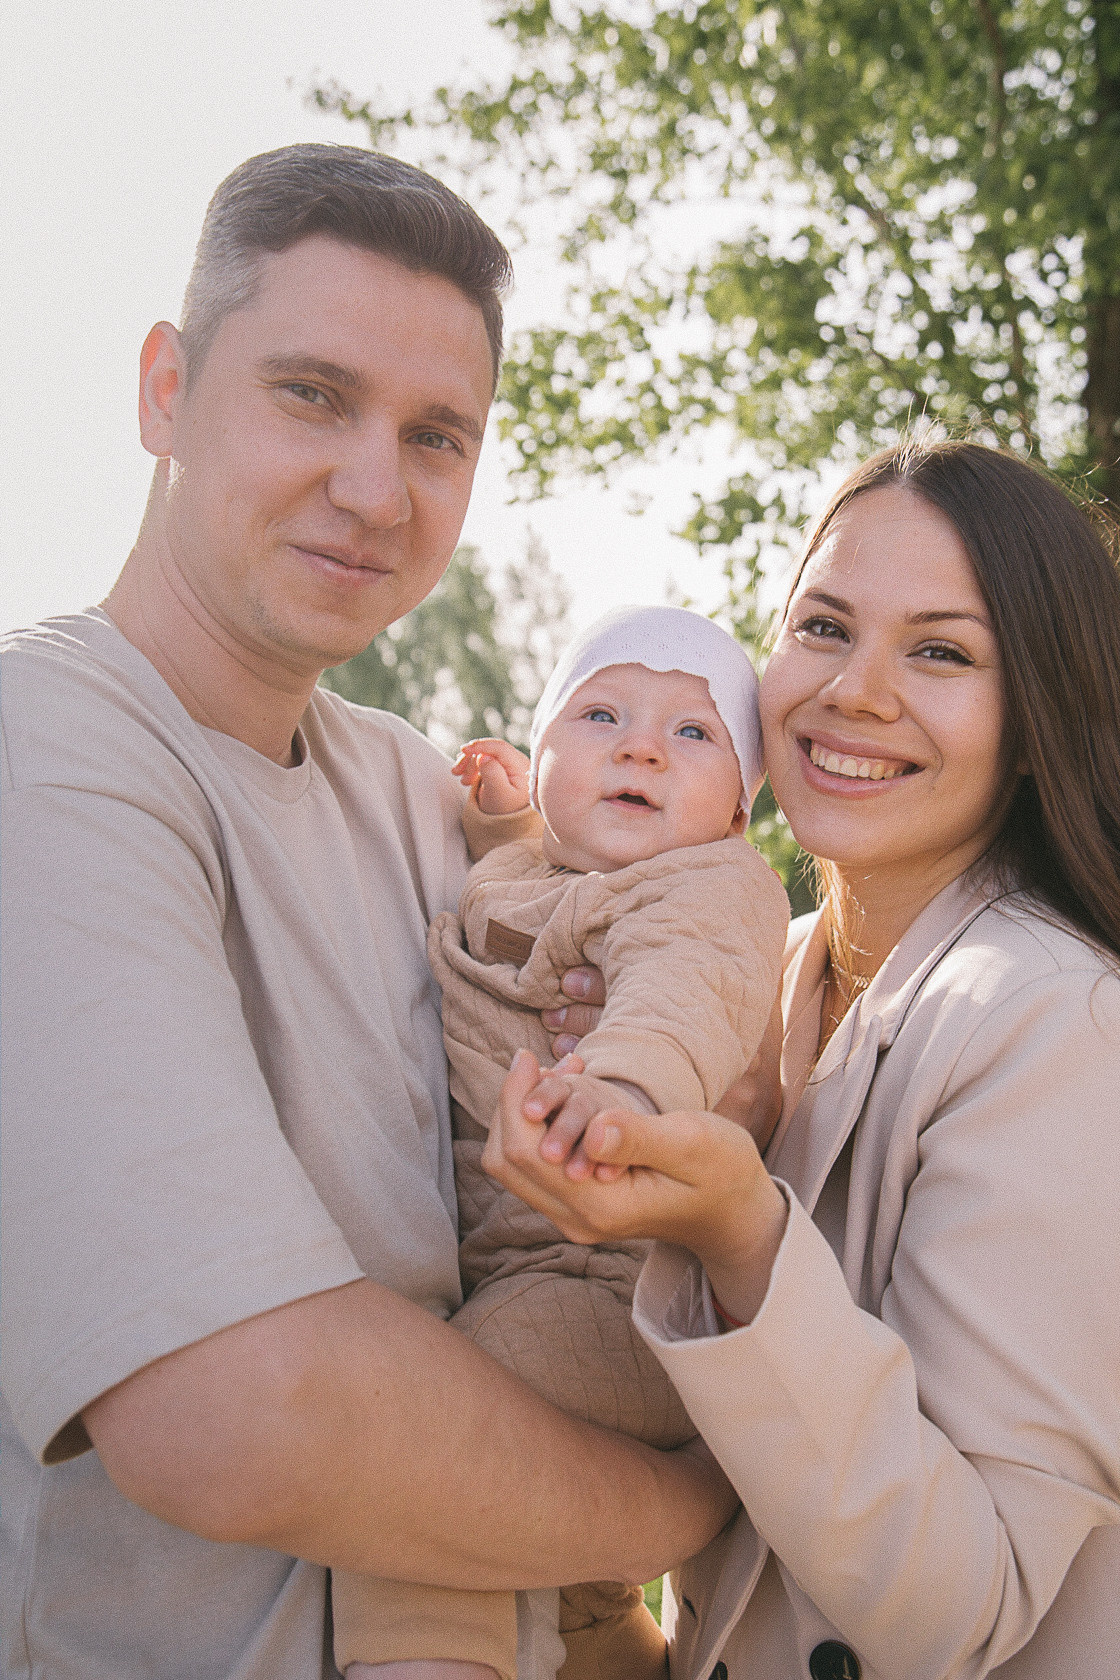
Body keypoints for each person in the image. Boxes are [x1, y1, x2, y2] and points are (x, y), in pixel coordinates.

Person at [0, 144, 735, 1680]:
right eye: (312, 394)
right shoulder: (46, 754)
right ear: (163, 392)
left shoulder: (424, 796)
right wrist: (684, 1506)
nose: (374, 489)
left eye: (438, 435)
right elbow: (239, 1417)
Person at [482, 439, 1120, 1679]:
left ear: (1041, 713)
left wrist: (738, 1237)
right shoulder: (751, 978)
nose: (853, 692)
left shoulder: (1057, 1021)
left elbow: (964, 1607)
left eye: (939, 651)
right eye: (822, 627)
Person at [331, 606, 789, 1680]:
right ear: (543, 760)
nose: (638, 746)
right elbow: (531, 886)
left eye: (693, 733)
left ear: (736, 813)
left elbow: (684, 990)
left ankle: (421, 1664)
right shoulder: (534, 872)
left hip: (618, 1285)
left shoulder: (710, 886)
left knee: (434, 1442)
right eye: (600, 715)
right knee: (561, 1571)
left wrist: (622, 1089)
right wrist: (500, 821)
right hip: (531, 1272)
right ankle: (614, 1655)